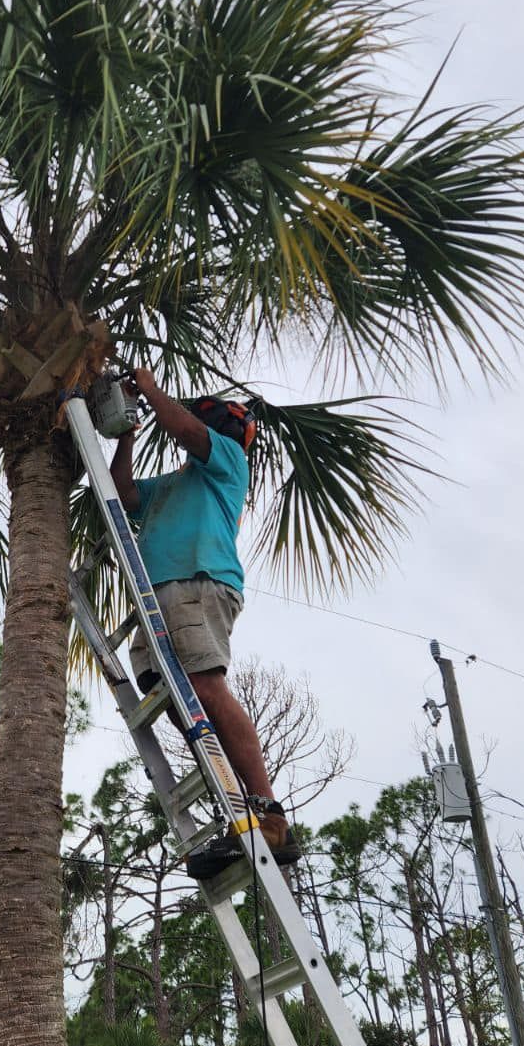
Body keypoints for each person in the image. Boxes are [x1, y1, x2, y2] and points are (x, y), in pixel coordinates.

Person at [109, 367, 301, 880]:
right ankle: (236, 809)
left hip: (198, 582)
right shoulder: (174, 484)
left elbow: (189, 432)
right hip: (157, 597)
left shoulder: (228, 460)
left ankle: (267, 809)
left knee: (202, 687)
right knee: (169, 699)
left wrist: (149, 391)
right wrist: (125, 436)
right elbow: (124, 495)